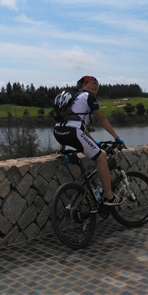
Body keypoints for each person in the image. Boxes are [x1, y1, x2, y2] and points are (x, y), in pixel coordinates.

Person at [54, 76, 125, 205]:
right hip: (73, 133)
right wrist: (117, 138)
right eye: (91, 83)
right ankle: (109, 197)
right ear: (83, 86)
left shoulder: (75, 98)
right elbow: (102, 119)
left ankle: (61, 150)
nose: (95, 85)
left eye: (97, 83)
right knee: (101, 157)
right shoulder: (89, 97)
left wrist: (93, 142)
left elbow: (74, 123)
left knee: (96, 151)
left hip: (58, 133)